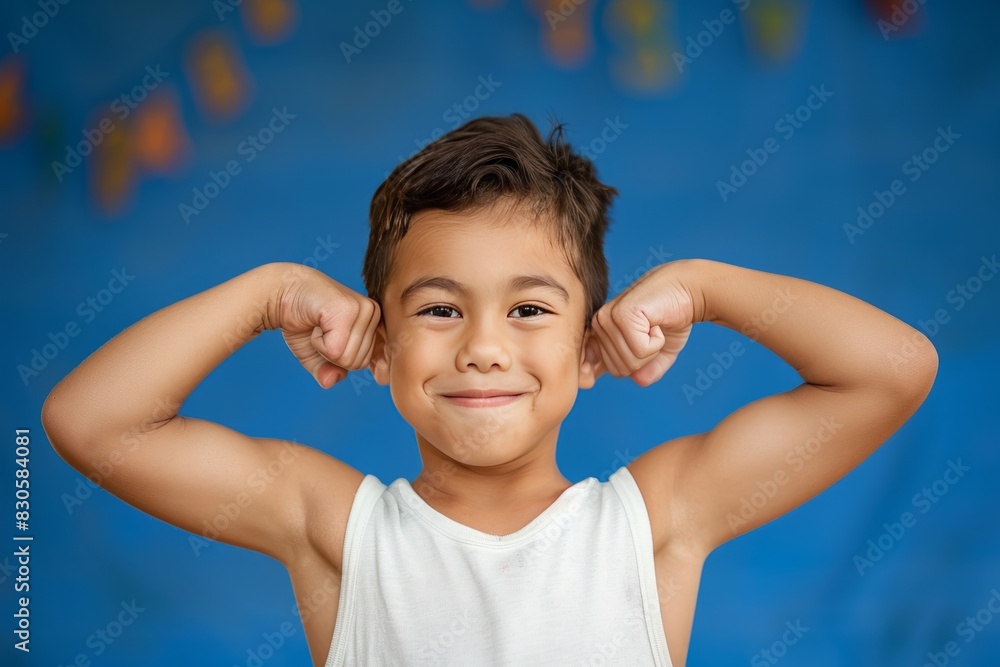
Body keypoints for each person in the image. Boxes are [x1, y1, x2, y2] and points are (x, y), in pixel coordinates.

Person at [41, 113, 938, 666]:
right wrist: (267, 292)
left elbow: (891, 370)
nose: (481, 348)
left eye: (530, 309)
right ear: (378, 346)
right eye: (438, 308)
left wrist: (704, 285)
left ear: (593, 345)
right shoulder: (335, 532)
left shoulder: (655, 523)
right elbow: (90, 420)